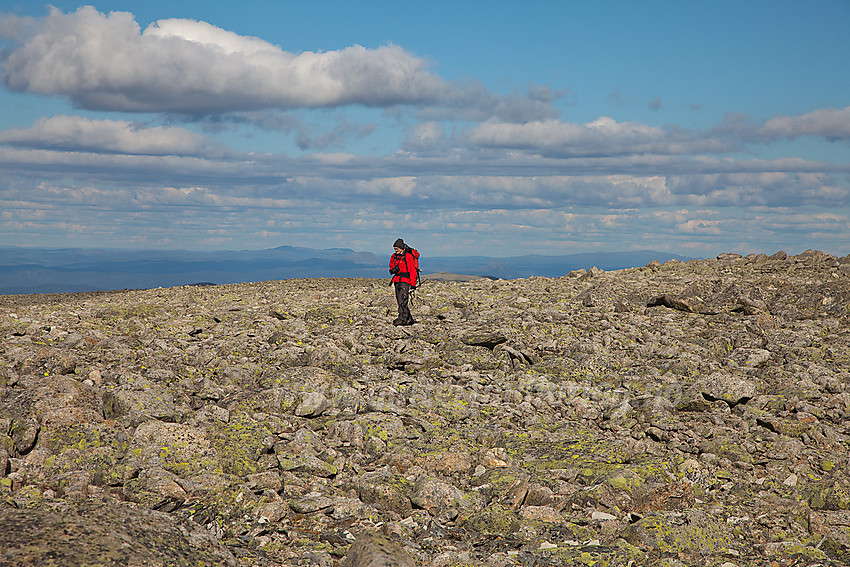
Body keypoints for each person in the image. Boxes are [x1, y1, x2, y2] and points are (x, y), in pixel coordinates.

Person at [389, 238, 420, 326]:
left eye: (397, 249)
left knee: (402, 300)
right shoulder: (394, 256)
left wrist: (413, 284)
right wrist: (394, 270)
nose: (395, 250)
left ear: (401, 248)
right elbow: (391, 267)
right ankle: (409, 319)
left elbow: (412, 271)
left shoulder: (408, 256)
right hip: (397, 281)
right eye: (395, 249)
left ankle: (403, 319)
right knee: (400, 300)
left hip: (405, 281)